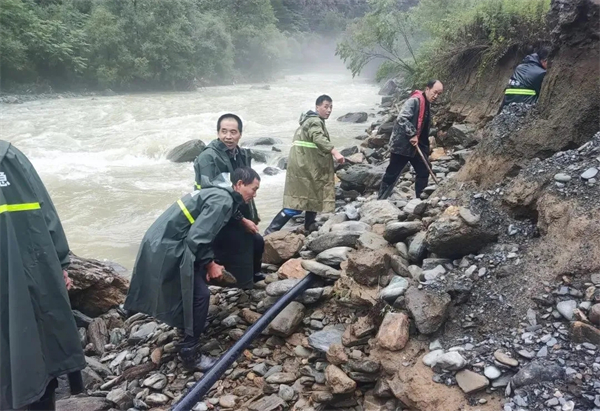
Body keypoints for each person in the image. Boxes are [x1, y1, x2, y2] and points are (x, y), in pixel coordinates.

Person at [124, 167, 261, 371]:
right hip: (167, 245)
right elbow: (196, 238)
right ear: (240, 184)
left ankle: (176, 325)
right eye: (253, 189)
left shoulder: (219, 191)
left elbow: (220, 213)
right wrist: (210, 264)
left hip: (161, 238)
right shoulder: (222, 200)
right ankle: (189, 353)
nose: (255, 194)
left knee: (193, 288)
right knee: (200, 296)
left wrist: (242, 220)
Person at [0, 140, 85, 411]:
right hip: (29, 282)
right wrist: (60, 264)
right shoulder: (11, 157)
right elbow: (47, 217)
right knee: (38, 351)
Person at [193, 114, 264, 288]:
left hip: (236, 213)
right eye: (224, 131)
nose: (228, 137)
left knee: (257, 242)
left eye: (233, 132)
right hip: (218, 217)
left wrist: (252, 216)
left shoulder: (241, 154)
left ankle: (252, 276)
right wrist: (242, 220)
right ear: (218, 133)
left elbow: (247, 186)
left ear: (240, 134)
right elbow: (214, 197)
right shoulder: (208, 158)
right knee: (241, 250)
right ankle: (235, 285)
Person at [264, 95, 345, 235]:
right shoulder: (314, 121)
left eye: (331, 107)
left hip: (305, 164)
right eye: (326, 106)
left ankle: (309, 224)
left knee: (312, 194)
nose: (329, 110)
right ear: (317, 107)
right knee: (297, 201)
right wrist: (335, 152)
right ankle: (270, 231)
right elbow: (318, 137)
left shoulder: (309, 120)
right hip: (304, 167)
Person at [378, 80, 444, 200]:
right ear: (427, 89)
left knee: (424, 171)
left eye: (439, 94)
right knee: (392, 173)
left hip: (418, 146)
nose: (436, 96)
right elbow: (402, 118)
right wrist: (412, 134)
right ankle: (381, 199)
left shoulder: (427, 104)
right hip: (402, 146)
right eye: (435, 92)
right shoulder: (414, 101)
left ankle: (420, 200)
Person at [499, 48, 549, 112]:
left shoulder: (519, 67)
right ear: (544, 61)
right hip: (524, 106)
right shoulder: (541, 73)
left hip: (507, 103)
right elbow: (543, 93)